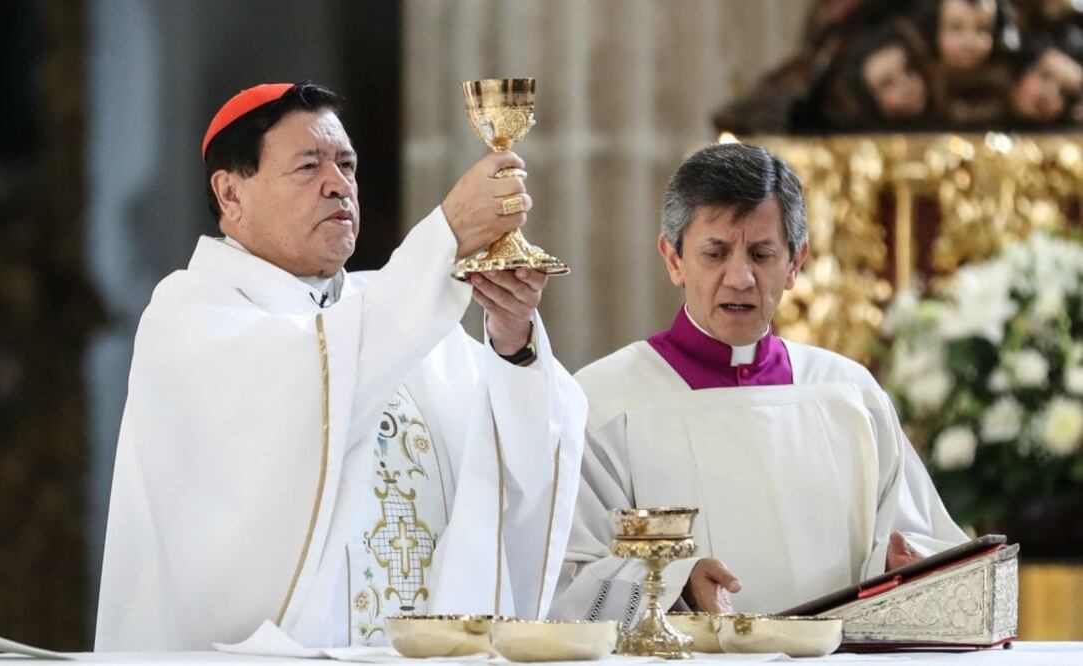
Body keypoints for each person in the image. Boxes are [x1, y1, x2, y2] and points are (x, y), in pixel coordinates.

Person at [96, 82, 586, 650]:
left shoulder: (391, 311)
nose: (338, 184)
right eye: (308, 166)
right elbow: (315, 380)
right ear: (230, 193)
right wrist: (448, 232)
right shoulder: (190, 315)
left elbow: (513, 461)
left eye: (346, 164)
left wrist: (512, 342)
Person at [549, 143, 967, 624]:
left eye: (762, 254)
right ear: (674, 259)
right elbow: (565, 582)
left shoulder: (850, 395)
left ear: (795, 263)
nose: (741, 278)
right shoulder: (605, 401)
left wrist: (896, 568)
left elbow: (926, 548)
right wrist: (676, 583)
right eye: (716, 252)